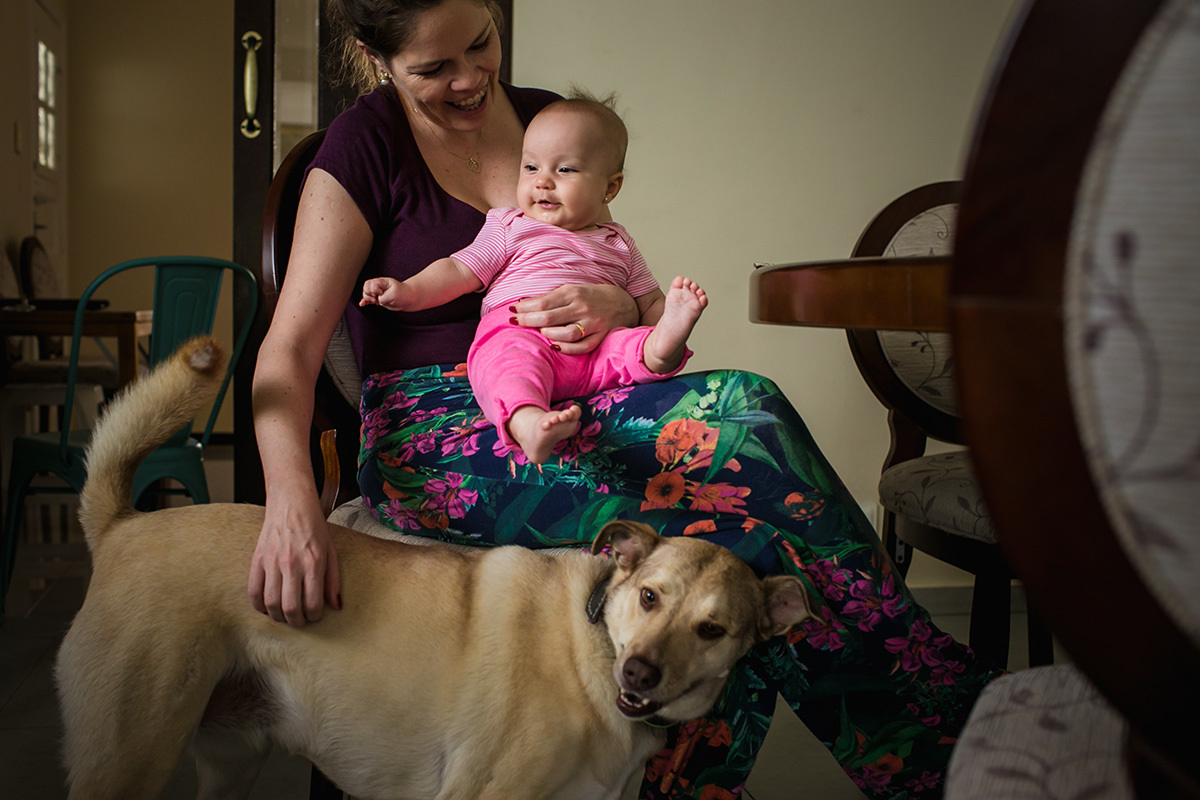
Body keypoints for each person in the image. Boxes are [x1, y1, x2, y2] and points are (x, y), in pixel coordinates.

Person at [250, 1, 1003, 797]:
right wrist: (289, 502)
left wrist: (618, 306)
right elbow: (288, 349)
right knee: (744, 420)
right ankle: (943, 736)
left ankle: (717, 783)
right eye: (435, 70)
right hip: (438, 436)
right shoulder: (363, 145)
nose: (471, 79)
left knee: (738, 543)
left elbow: (612, 267)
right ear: (376, 58)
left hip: (573, 396)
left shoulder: (552, 123)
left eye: (481, 45)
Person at [358, 96, 708, 464]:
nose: (543, 181)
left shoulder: (618, 242)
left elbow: (647, 303)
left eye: (566, 170)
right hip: (520, 333)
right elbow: (460, 270)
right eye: (530, 167)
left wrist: (663, 317)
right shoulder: (511, 225)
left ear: (611, 187)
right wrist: (408, 290)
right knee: (506, 365)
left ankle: (664, 347)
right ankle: (528, 423)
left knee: (631, 346)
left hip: (595, 349)